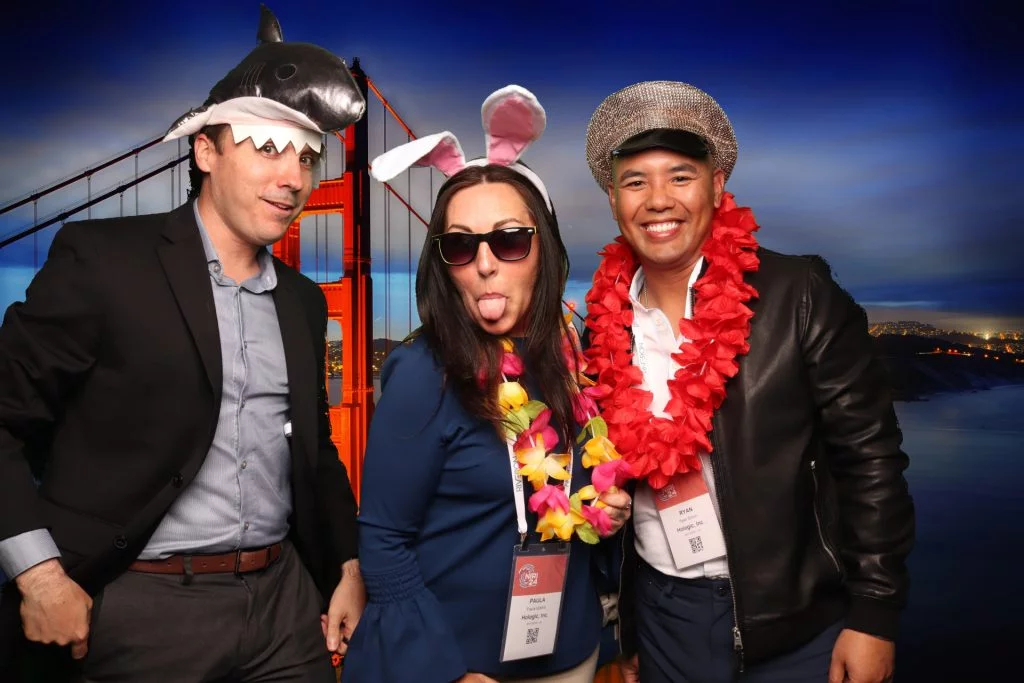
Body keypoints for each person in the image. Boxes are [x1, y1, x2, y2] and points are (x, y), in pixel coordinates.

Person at [0, 7, 367, 681]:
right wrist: (40, 576)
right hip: (140, 606)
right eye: (267, 148)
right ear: (205, 151)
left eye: (309, 157)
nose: (294, 178)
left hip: (284, 606)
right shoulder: (104, 262)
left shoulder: (304, 302)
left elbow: (314, 454)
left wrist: (344, 565)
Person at [580, 81, 915, 683]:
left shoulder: (799, 297)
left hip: (795, 621)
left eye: (680, 176)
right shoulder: (601, 326)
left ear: (717, 185)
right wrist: (622, 627)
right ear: (612, 198)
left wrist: (875, 616)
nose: (658, 200)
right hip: (663, 618)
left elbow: (871, 460)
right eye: (635, 181)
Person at [343, 85, 632, 683]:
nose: (484, 262)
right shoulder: (426, 372)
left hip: (571, 652)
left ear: (543, 247)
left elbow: (572, 497)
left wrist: (608, 507)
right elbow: (384, 540)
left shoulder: (573, 356)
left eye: (509, 239)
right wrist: (444, 671)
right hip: (463, 664)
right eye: (459, 245)